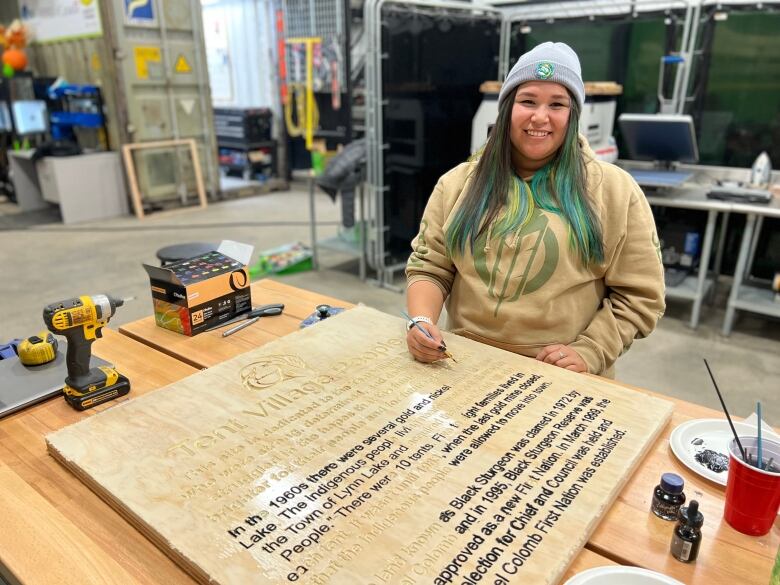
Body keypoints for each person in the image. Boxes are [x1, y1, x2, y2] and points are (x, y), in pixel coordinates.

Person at [405, 42, 665, 378]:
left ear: (572, 116)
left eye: (557, 104)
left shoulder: (615, 191)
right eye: (528, 100)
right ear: (507, 108)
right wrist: (422, 321)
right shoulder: (458, 183)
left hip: (561, 376)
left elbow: (640, 296)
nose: (540, 116)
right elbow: (430, 266)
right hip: (464, 364)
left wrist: (591, 350)